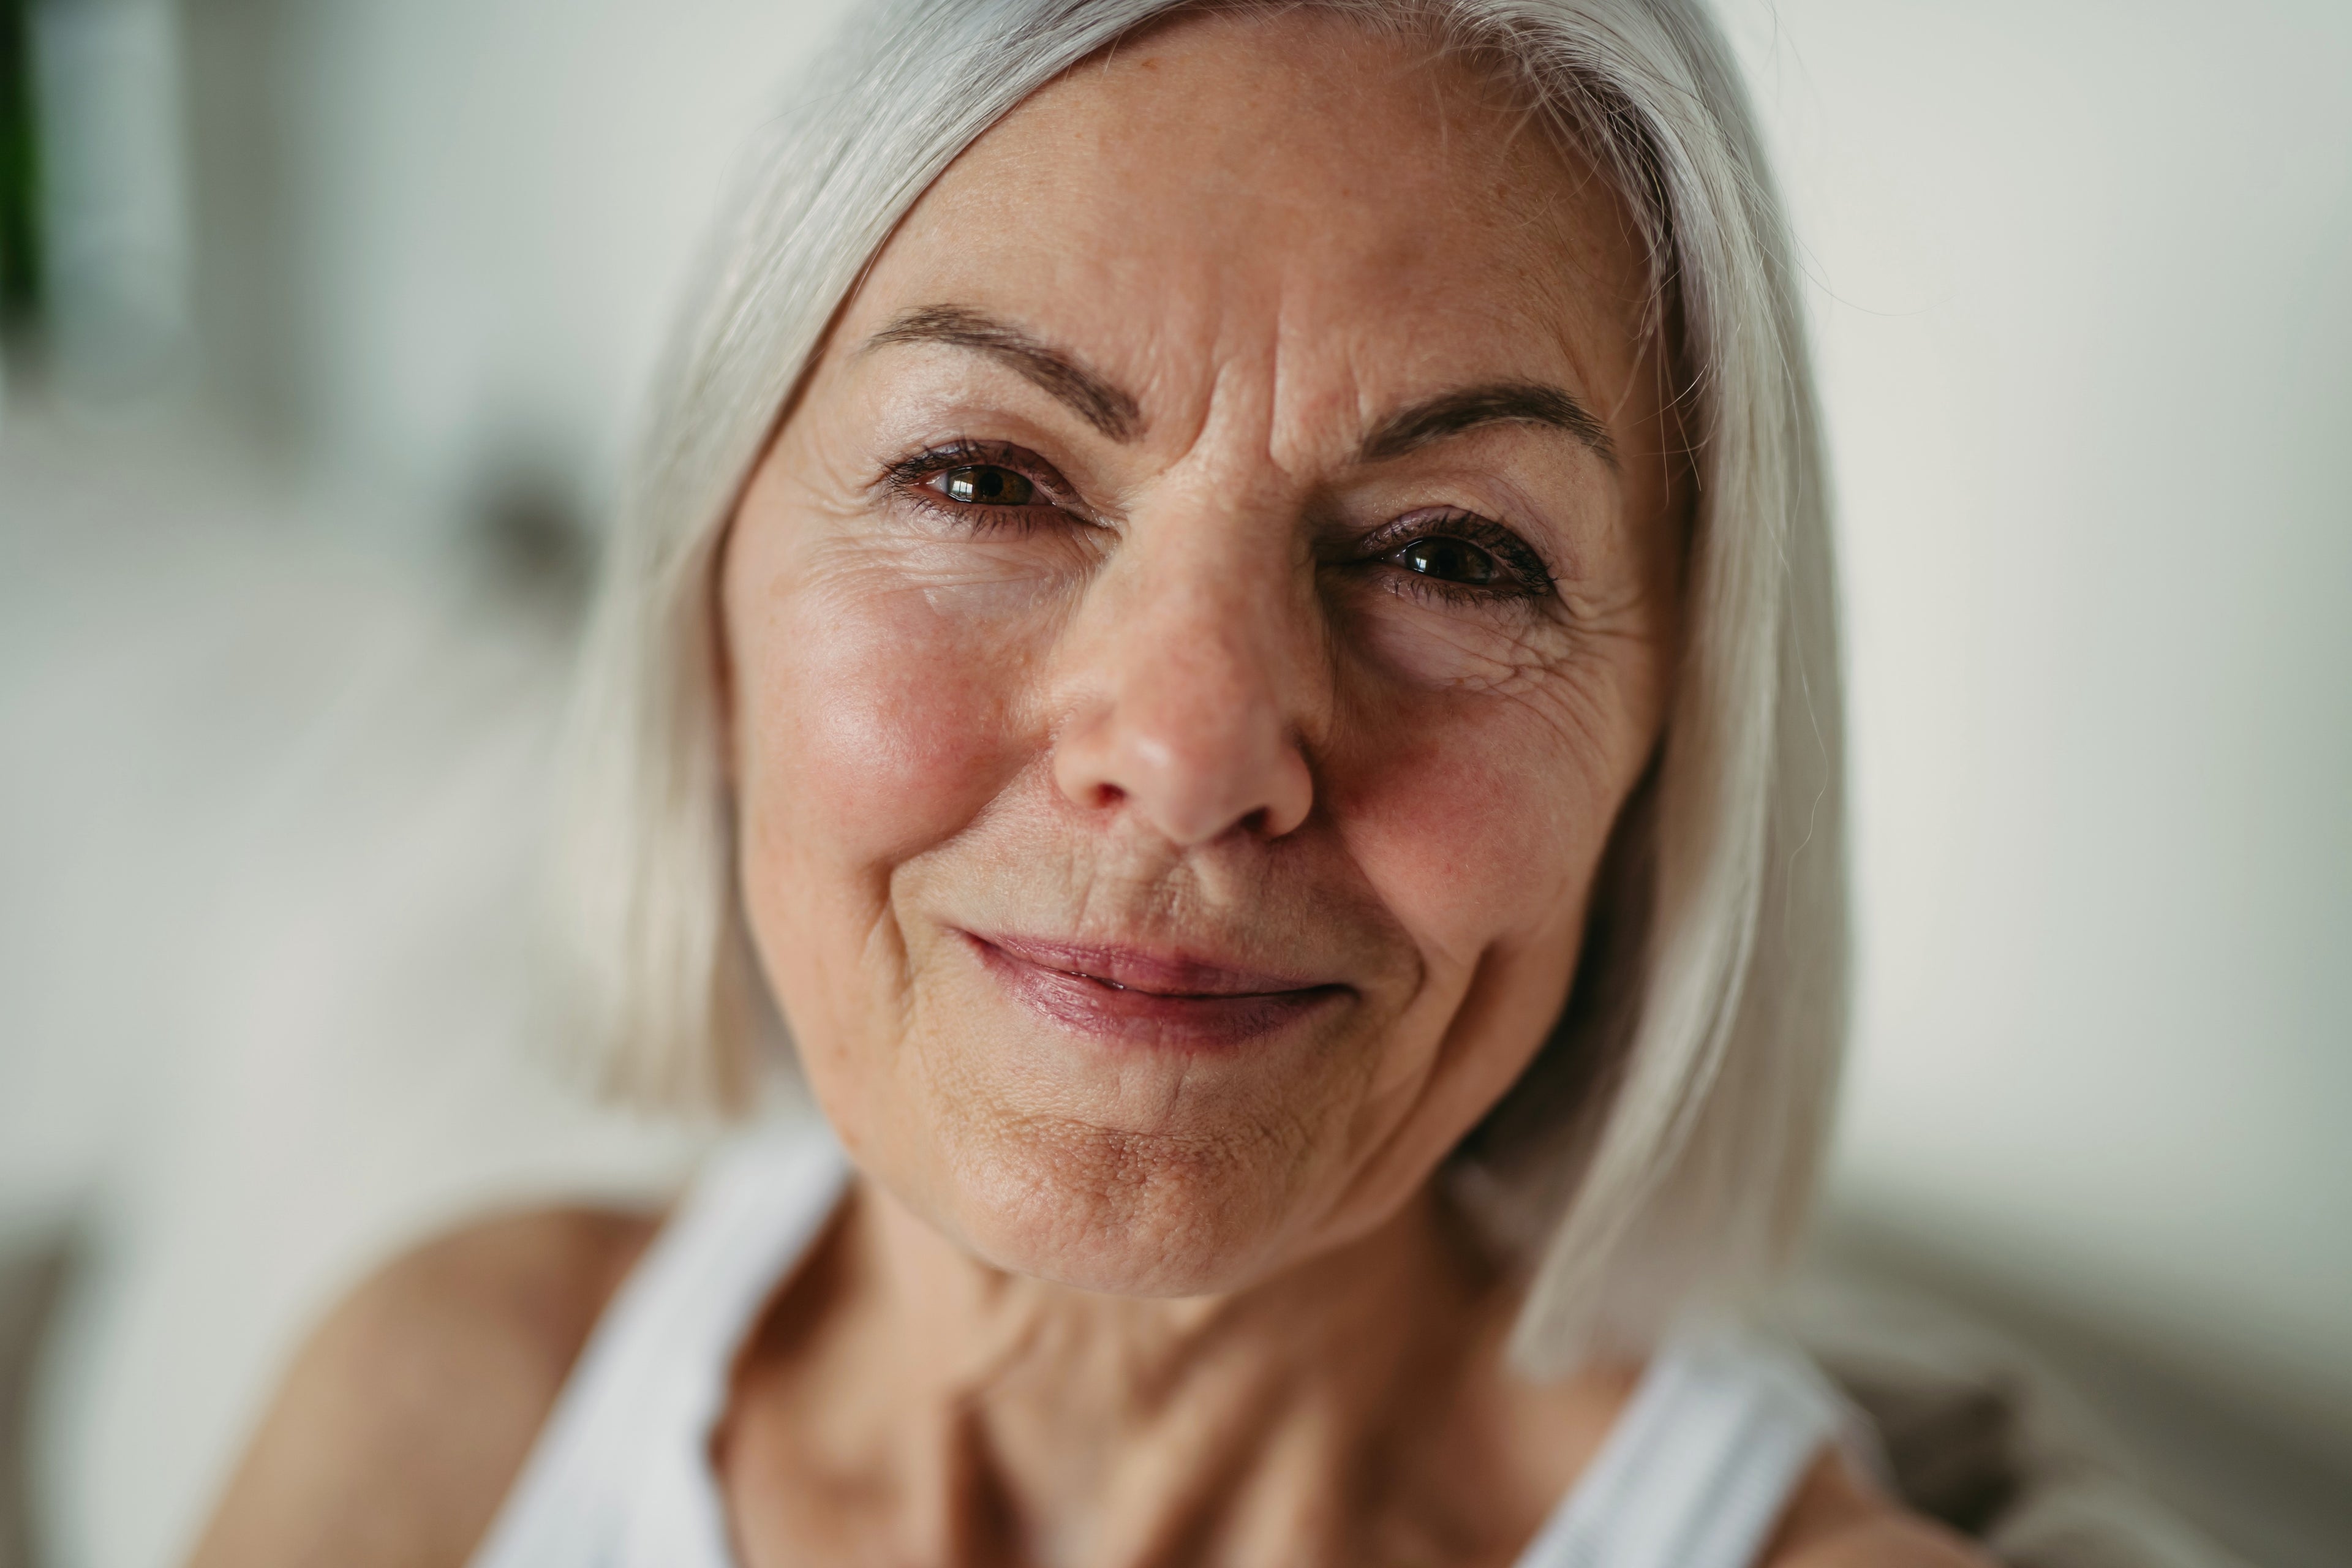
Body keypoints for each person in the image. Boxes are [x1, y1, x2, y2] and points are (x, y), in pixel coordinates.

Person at [188, 1, 1994, 1563]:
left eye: (1448, 556)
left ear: (1673, 746)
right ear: (709, 604)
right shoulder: (451, 1398)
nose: (1194, 753)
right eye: (983, 479)